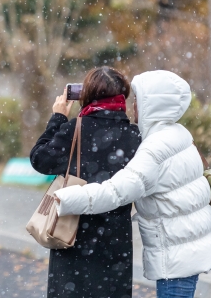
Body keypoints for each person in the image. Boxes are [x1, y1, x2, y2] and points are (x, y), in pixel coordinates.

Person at [54, 70, 211, 298]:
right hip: (187, 249)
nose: (133, 108)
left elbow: (116, 192)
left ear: (152, 105)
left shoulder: (155, 148)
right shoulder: (179, 134)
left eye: (138, 101)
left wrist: (65, 199)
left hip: (177, 257)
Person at [30, 67, 141, 298]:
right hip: (116, 240)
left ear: (86, 95)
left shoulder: (75, 130)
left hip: (73, 233)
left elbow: (39, 159)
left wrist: (58, 117)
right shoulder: (134, 135)